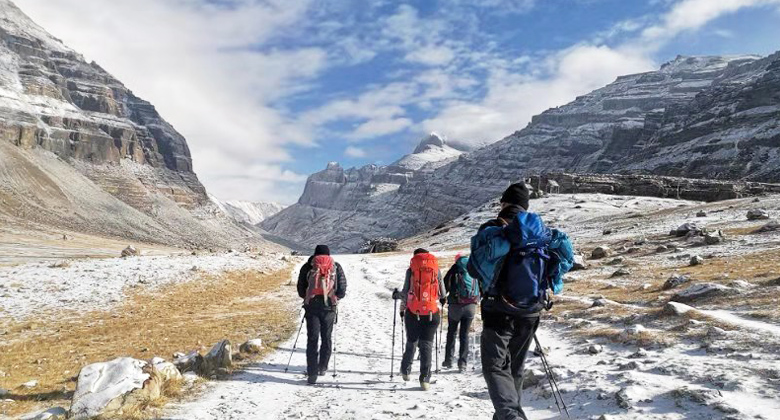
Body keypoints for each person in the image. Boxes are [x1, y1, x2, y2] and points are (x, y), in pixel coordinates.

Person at [468, 183, 573, 420]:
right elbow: (563, 263)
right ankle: (510, 416)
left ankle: (509, 416)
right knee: (515, 368)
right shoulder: (543, 234)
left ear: (503, 204)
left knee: (495, 367)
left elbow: (474, 269)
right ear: (525, 207)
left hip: (498, 309)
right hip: (531, 311)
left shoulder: (493, 229)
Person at [297, 245, 347, 385]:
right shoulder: (335, 267)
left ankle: (312, 373)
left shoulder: (307, 266)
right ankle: (323, 367)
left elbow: (300, 290)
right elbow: (342, 290)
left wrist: (309, 296)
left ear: (315, 254)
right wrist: (333, 297)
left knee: (312, 339)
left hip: (312, 306)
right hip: (329, 307)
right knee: (326, 337)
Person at [399, 248, 446, 391]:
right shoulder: (436, 270)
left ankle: (406, 371)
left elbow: (405, 293)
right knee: (426, 345)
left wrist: (402, 307)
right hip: (432, 312)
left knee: (411, 341)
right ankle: (425, 379)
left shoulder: (410, 271)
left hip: (413, 312)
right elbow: (442, 293)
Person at [442, 254, 480, 372]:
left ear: (457, 260)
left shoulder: (454, 269)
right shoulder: (474, 268)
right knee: (464, 334)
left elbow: (445, 286)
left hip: (455, 307)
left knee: (452, 332)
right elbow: (482, 287)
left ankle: (448, 360)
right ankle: (462, 364)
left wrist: (443, 299)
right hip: (471, 306)